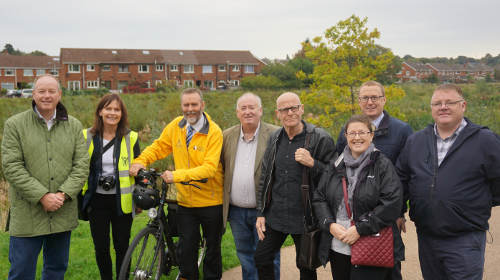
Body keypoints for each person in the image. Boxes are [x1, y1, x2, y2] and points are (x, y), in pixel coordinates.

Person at [396, 84, 500, 279]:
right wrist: (399, 210)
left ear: (463, 106)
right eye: (437, 103)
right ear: (431, 108)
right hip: (426, 236)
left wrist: (477, 203)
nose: (443, 107)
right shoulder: (416, 141)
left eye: (450, 102)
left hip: (465, 238)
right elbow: (402, 178)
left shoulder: (486, 140)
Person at [129, 88, 224, 280]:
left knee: (212, 250)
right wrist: (141, 160)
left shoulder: (214, 132)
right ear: (181, 106)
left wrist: (176, 175)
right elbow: (158, 146)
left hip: (210, 202)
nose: (190, 109)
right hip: (185, 202)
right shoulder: (176, 126)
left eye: (194, 105)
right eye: (186, 105)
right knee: (186, 249)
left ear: (202, 106)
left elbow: (209, 169)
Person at [1, 74, 89, 279]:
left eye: (51, 91)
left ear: (59, 94)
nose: (46, 96)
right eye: (41, 91)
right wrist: (42, 196)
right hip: (27, 214)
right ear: (33, 94)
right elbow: (12, 166)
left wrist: (63, 194)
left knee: (56, 270)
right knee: (21, 271)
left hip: (61, 211)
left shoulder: (74, 125)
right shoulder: (15, 125)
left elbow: (82, 165)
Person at [254, 92, 336, 280]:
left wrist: (313, 164)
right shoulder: (275, 138)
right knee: (261, 258)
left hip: (306, 217)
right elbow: (265, 177)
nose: (290, 113)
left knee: (306, 267)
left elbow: (335, 178)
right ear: (277, 113)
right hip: (276, 215)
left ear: (302, 109)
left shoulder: (321, 138)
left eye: (294, 108)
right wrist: (261, 212)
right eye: (284, 109)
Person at [335, 81, 412, 279]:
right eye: (365, 98)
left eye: (375, 97)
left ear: (384, 100)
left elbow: (406, 174)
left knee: (388, 266)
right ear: (358, 102)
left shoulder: (402, 131)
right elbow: (338, 170)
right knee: (361, 264)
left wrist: (400, 210)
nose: (370, 102)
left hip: (386, 212)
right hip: (355, 215)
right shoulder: (348, 131)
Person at [314, 114, 404, 280]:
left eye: (362, 133)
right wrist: (330, 225)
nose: (357, 137)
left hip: (371, 243)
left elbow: (391, 203)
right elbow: (319, 197)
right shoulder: (335, 165)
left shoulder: (382, 165)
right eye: (352, 133)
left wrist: (360, 228)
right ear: (346, 136)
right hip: (338, 244)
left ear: (371, 135)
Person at [80, 93, 141, 280]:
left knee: (122, 246)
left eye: (116, 109)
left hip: (121, 201)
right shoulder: (86, 136)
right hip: (95, 200)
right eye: (108, 108)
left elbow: (138, 167)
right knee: (101, 247)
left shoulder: (131, 138)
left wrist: (138, 198)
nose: (112, 113)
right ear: (100, 111)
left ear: (122, 114)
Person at [221, 93, 281, 280]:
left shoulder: (276, 134)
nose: (248, 112)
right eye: (243, 108)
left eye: (252, 107)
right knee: (245, 256)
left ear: (261, 110)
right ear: (237, 112)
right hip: (236, 211)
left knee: (268, 258)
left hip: (266, 211)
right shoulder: (226, 136)